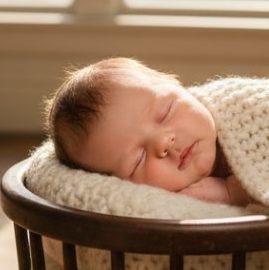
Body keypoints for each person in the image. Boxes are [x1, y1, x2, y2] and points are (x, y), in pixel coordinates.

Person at [45, 57, 252, 206]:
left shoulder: (244, 111)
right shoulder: (173, 205)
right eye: (138, 159)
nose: (164, 142)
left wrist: (236, 192)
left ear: (179, 86)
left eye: (166, 113)